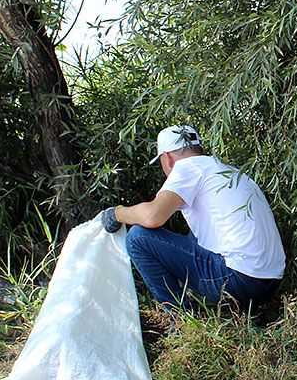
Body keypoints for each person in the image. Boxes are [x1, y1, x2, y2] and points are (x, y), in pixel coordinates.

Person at [102, 125, 285, 311]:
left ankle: (180, 318)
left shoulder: (187, 168)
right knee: (194, 235)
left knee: (138, 238)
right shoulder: (226, 170)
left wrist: (117, 213)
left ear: (168, 159)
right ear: (199, 149)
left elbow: (152, 217)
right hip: (270, 282)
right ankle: (222, 312)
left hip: (238, 281)